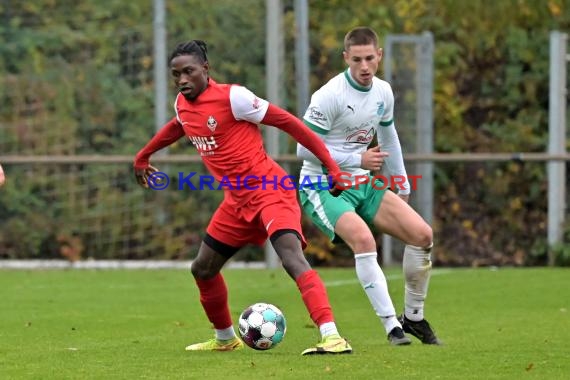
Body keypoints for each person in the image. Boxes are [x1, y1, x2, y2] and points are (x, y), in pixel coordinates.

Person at [133, 40, 352, 355]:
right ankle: (225, 339)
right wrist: (144, 155)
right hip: (236, 202)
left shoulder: (234, 98)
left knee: (291, 257)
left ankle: (332, 337)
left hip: (270, 190)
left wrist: (331, 166)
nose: (182, 80)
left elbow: (289, 123)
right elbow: (177, 127)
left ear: (205, 70)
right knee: (202, 269)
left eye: (189, 72)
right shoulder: (182, 104)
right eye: (176, 74)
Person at [297, 27, 441, 345]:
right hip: (322, 186)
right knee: (364, 241)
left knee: (422, 235)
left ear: (379, 56)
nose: (365, 66)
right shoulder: (329, 95)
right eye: (357, 59)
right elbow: (304, 149)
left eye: (370, 58)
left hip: (362, 183)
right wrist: (356, 159)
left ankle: (414, 318)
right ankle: (392, 327)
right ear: (346, 58)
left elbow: (388, 136)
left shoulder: (383, 92)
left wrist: (400, 179)